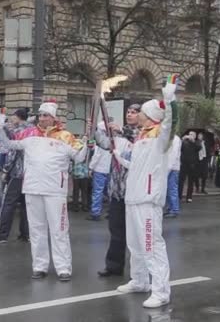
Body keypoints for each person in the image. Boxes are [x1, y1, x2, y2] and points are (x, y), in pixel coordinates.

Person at [0, 100, 87, 282]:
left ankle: (63, 268)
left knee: (59, 229)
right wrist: (0, 124)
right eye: (41, 115)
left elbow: (79, 157)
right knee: (37, 230)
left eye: (46, 115)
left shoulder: (65, 136)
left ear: (54, 118)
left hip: (55, 190)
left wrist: (86, 142)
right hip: (32, 188)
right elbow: (8, 144)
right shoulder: (28, 134)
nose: (42, 118)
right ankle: (40, 266)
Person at [111, 80, 177, 309]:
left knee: (151, 245)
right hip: (133, 197)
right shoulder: (142, 136)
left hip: (148, 199)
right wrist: (122, 160)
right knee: (135, 245)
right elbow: (141, 166)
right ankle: (139, 280)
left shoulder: (161, 135)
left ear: (148, 114)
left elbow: (171, 123)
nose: (136, 114)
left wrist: (170, 100)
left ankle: (161, 291)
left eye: (140, 111)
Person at [95, 103, 141, 277]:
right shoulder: (119, 136)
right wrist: (94, 129)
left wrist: (120, 130)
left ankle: (141, 271)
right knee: (116, 231)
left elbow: (135, 136)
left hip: (135, 192)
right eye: (128, 112)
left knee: (137, 234)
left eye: (134, 112)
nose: (130, 114)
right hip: (117, 191)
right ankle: (114, 266)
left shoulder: (145, 134)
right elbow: (105, 143)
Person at [0, 108, 31, 243]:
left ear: (18, 117)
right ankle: (25, 234)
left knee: (8, 204)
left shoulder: (18, 131)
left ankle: (1, 235)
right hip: (30, 174)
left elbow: (13, 153)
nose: (12, 119)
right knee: (26, 206)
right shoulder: (33, 130)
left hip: (17, 173)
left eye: (13, 117)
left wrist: (5, 170)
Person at [87, 121, 112, 221]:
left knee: (97, 192)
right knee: (110, 192)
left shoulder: (100, 143)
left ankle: (95, 212)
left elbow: (96, 156)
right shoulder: (112, 141)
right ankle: (111, 212)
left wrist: (90, 168)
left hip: (99, 170)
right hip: (109, 170)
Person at [179, 131, 200, 203]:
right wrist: (182, 140)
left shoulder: (196, 143)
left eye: (192, 135)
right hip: (184, 164)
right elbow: (179, 149)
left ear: (195, 136)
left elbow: (199, 148)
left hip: (192, 164)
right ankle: (179, 196)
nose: (190, 136)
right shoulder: (184, 142)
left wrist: (193, 141)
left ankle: (189, 197)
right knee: (181, 180)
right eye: (189, 134)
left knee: (191, 182)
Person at [164, 134, 182, 218]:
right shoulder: (169, 137)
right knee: (168, 189)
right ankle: (169, 208)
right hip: (168, 167)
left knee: (172, 189)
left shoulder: (175, 139)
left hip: (173, 168)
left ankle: (174, 209)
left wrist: (168, 169)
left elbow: (173, 155)